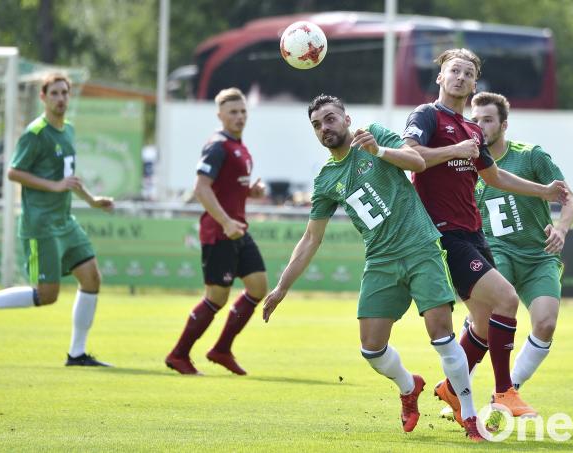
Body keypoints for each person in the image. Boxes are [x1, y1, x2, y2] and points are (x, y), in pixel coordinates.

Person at [262, 94, 485, 441]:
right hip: (381, 260)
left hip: (420, 247)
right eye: (317, 125)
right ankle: (409, 387)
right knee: (371, 348)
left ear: (347, 119)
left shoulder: (375, 134)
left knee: (441, 335)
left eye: (330, 119)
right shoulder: (326, 180)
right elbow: (310, 239)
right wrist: (281, 288)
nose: (324, 128)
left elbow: (417, 161)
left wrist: (378, 151)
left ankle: (470, 415)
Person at [401, 48, 569, 424]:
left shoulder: (473, 131)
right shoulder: (426, 115)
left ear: (475, 83)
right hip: (445, 234)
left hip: (474, 233)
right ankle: (504, 391)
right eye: (454, 71)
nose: (460, 77)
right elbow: (410, 155)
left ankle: (450, 389)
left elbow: (494, 176)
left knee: (483, 321)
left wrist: (543, 191)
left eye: (468, 73)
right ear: (440, 77)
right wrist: (455, 150)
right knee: (506, 298)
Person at [0, 73, 115, 367]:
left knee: (91, 277)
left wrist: (92, 200)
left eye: (64, 93)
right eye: (54, 93)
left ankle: (77, 353)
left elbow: (68, 179)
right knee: (47, 295)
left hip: (65, 221)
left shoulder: (68, 130)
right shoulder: (35, 133)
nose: (60, 98)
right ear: (43, 97)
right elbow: (13, 172)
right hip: (41, 225)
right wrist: (54, 186)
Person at [469, 91, 573, 391]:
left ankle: (509, 391)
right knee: (484, 319)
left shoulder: (531, 156)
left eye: (488, 120)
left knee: (546, 324)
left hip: (538, 255)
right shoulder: (466, 165)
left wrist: (561, 229)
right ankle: (460, 387)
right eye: (475, 120)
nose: (480, 126)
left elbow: (571, 200)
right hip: (496, 250)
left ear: (504, 125)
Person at [165, 87, 268, 376]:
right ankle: (178, 355)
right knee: (216, 298)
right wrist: (225, 222)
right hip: (220, 232)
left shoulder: (239, 146)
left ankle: (221, 349)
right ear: (219, 115)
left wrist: (251, 192)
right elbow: (201, 188)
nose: (239, 116)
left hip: (238, 229)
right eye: (233, 112)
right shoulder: (217, 146)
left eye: (243, 111)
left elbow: (227, 188)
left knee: (258, 286)